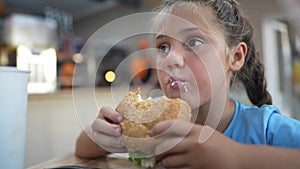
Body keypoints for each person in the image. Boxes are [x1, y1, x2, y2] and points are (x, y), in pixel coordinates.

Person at [75, 0, 300, 168]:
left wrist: (238, 157)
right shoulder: (149, 123)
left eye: (194, 41)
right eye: (163, 46)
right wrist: (100, 137)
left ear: (235, 57)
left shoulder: (267, 129)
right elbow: (81, 148)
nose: (171, 59)